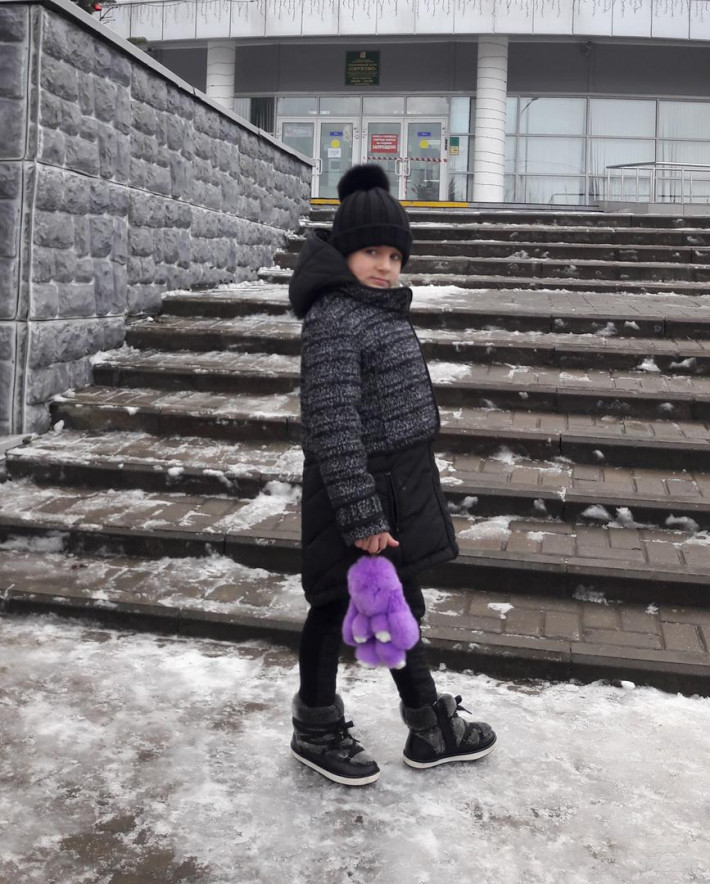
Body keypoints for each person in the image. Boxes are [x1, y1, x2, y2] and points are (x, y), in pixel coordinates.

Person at [287, 164, 496, 786]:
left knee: (394, 600)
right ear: (345, 253)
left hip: (395, 485)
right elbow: (332, 424)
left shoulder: (374, 308)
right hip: (358, 488)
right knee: (332, 604)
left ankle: (427, 722)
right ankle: (317, 727)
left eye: (395, 256)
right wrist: (362, 514)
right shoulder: (335, 318)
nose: (385, 266)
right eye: (371, 253)